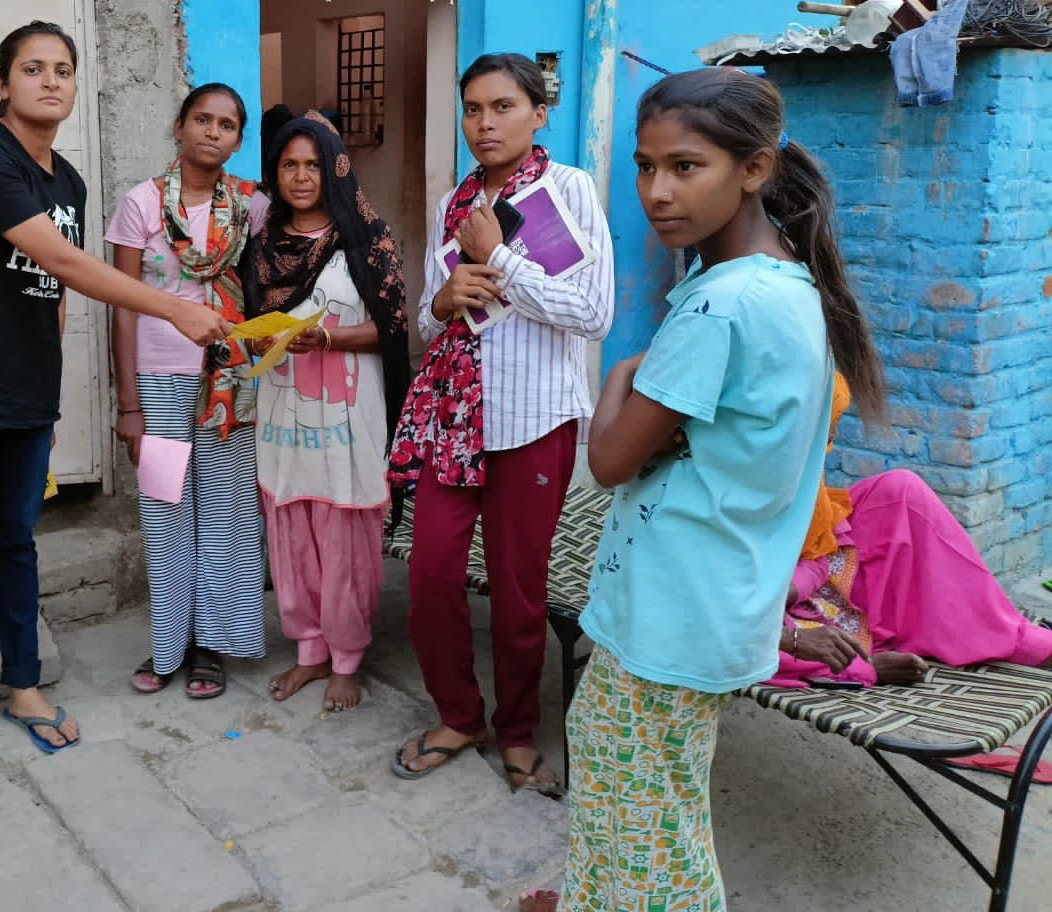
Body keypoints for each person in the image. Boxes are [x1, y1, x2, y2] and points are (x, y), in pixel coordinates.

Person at [538, 67, 886, 912]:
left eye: (685, 166)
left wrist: (618, 376)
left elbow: (610, 460)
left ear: (755, 169)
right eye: (645, 166)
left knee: (652, 834)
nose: (657, 192)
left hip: (671, 612)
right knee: (639, 801)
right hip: (706, 600)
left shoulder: (718, 308)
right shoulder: (787, 285)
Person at [0, 22, 229, 806]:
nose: (50, 81)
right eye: (32, 68)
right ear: (4, 84)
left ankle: (24, 686)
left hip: (25, 396)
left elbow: (55, 296)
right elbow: (65, 261)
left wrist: (47, 391)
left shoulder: (65, 179)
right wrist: (175, 308)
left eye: (63, 70)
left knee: (16, 543)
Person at [387, 53, 614, 793]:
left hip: (533, 419)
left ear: (539, 113)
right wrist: (445, 298)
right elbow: (431, 317)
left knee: (519, 592)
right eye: (473, 109)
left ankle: (517, 732)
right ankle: (460, 716)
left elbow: (594, 313)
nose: (485, 123)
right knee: (430, 575)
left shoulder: (568, 190)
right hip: (453, 419)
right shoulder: (454, 202)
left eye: (503, 106)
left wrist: (502, 263)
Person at [243, 113, 409, 712]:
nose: (301, 176)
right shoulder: (263, 246)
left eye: (313, 165)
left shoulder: (366, 238)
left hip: (346, 414)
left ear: (335, 168)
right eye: (289, 165)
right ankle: (310, 650)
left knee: (343, 533)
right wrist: (260, 338)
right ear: (275, 171)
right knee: (292, 529)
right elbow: (248, 320)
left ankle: (346, 657)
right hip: (283, 411)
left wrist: (330, 339)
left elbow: (394, 327)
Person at [107, 83, 268, 699]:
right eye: (202, 119)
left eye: (226, 125)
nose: (212, 132)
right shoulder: (141, 203)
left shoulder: (251, 206)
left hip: (230, 382)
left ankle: (212, 646)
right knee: (166, 510)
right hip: (158, 382)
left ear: (237, 140)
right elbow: (122, 305)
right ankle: (169, 643)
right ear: (180, 126)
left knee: (226, 513)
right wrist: (129, 405)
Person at [771, 372, 1052, 688]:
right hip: (762, 619)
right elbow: (728, 620)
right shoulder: (744, 479)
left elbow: (817, 549)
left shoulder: (801, 465)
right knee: (756, 645)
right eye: (826, 428)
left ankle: (1005, 634)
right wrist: (867, 670)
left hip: (796, 587)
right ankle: (859, 662)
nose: (832, 437)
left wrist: (793, 587)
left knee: (900, 491)